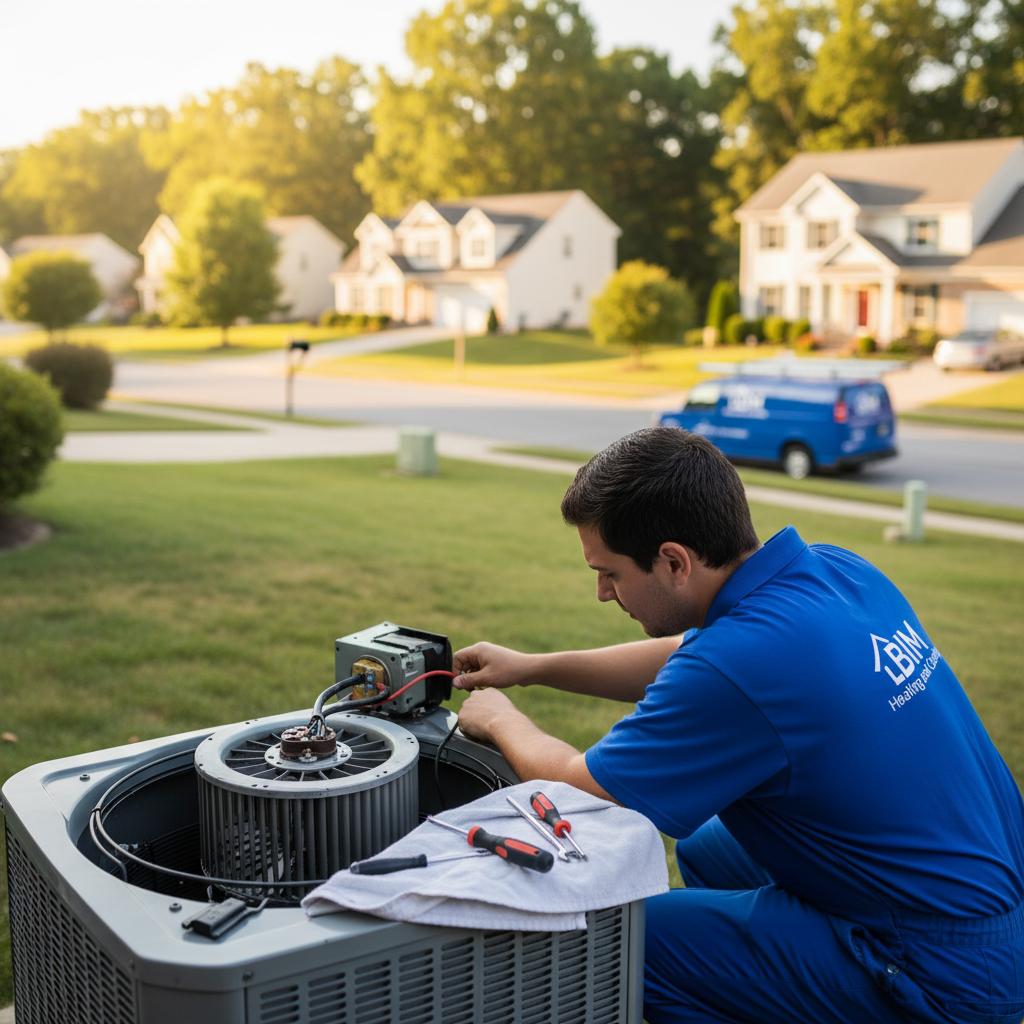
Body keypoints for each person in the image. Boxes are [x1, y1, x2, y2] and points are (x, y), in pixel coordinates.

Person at [452, 427, 1024, 1024]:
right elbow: (686, 654)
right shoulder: (834, 570)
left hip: (945, 971)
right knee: (708, 847)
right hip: (989, 899)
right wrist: (531, 669)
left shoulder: (739, 665)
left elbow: (585, 788)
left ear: (674, 561)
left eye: (611, 573)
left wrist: (502, 718)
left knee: (610, 942)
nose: (601, 592)